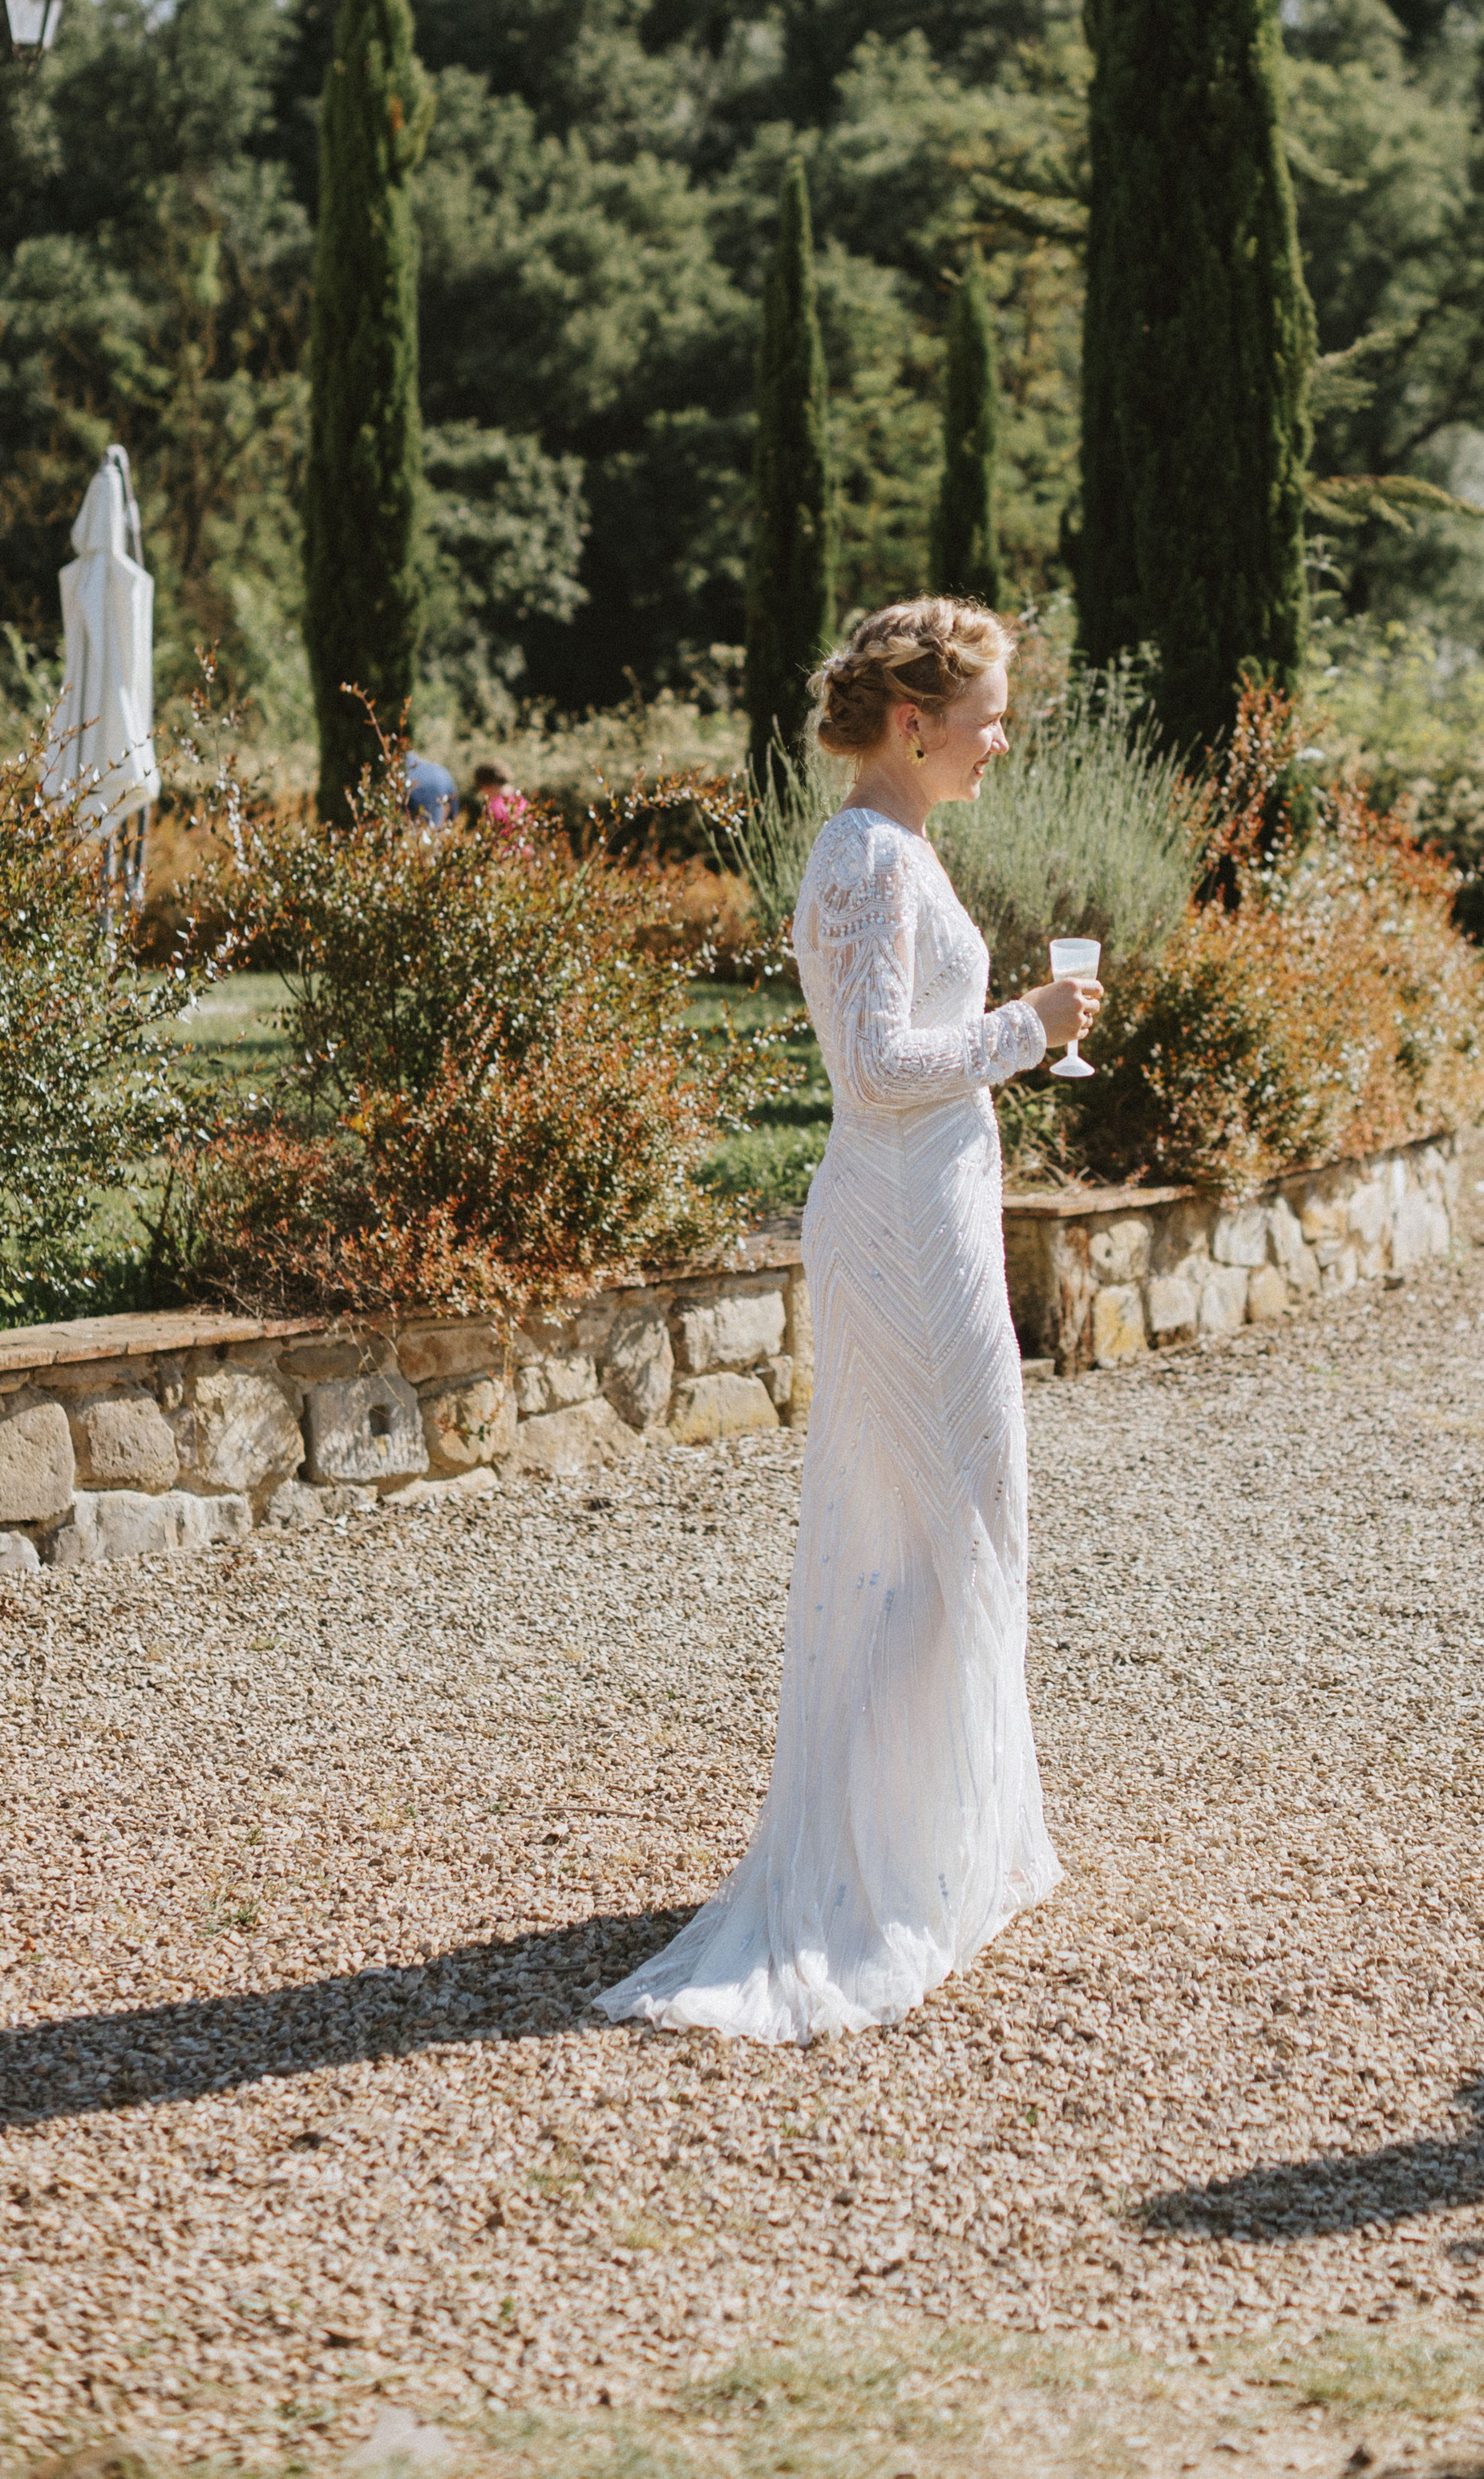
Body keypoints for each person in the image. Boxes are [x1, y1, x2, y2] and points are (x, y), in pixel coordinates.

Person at [600, 597, 1103, 2045]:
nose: (1001, 736)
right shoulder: (866, 856)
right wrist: (1032, 1031)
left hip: (925, 1205)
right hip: (896, 1214)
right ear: (911, 722)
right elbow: (879, 1065)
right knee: (936, 1527)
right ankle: (871, 1858)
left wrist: (1011, 1031)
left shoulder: (893, 847)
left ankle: (943, 1834)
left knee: (959, 1515)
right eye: (987, 715)